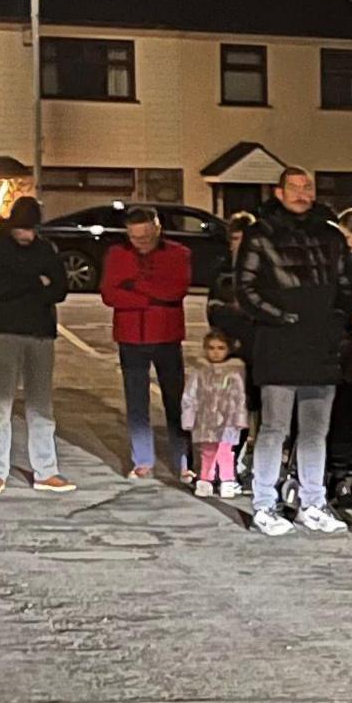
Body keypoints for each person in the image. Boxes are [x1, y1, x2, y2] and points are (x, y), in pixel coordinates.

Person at [238, 168, 352, 533]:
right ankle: (264, 505)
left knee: (315, 431)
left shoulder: (331, 235)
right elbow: (246, 288)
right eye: (295, 187)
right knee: (273, 429)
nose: (303, 193)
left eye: (308, 187)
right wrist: (281, 318)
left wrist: (335, 321)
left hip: (321, 345)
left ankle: (313, 503)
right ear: (279, 191)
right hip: (279, 344)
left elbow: (348, 283)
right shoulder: (260, 233)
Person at [0, 200, 70, 490]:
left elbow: (60, 288)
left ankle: (46, 470)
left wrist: (27, 284)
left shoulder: (45, 248)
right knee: (0, 405)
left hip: (40, 334)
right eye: (22, 230)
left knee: (41, 405)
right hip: (2, 332)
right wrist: (38, 282)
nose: (27, 236)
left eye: (32, 230)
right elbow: (1, 288)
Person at [103, 209, 195, 480]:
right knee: (135, 401)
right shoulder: (116, 254)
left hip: (166, 336)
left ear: (157, 229)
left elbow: (175, 290)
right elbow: (109, 294)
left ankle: (183, 461)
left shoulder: (178, 253)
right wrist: (149, 298)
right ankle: (142, 460)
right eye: (134, 237)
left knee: (175, 400)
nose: (139, 243)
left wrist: (134, 285)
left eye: (144, 237)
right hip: (130, 337)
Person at [183, 330, 249, 498]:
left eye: (221, 348)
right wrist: (189, 418)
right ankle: (206, 479)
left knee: (225, 451)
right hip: (205, 419)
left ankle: (227, 480)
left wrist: (240, 418)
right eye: (211, 348)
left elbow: (240, 397)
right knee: (207, 451)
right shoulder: (200, 370)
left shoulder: (235, 371)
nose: (216, 352)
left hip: (228, 421)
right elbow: (190, 395)